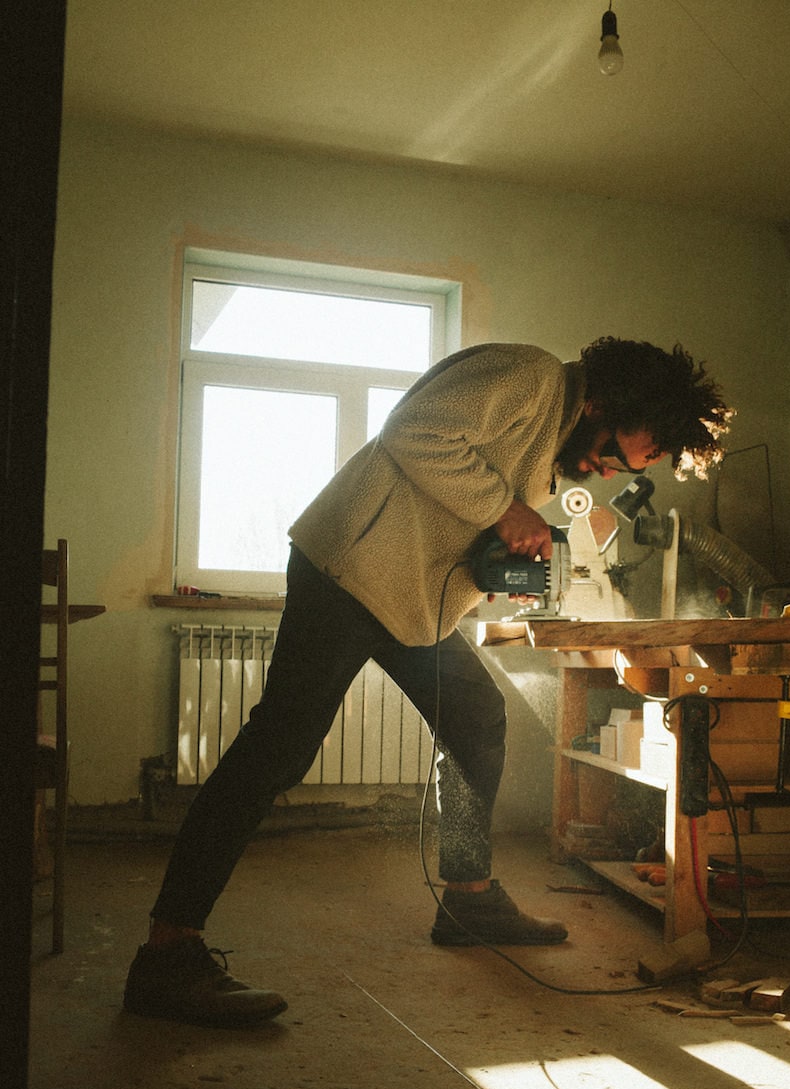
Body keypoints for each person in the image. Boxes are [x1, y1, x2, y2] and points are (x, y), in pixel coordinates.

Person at [124, 336, 733, 1027]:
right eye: (644, 448)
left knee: (476, 715)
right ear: (614, 404)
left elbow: (446, 508)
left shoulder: (548, 444)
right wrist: (506, 513)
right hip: (348, 576)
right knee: (279, 749)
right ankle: (167, 952)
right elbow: (414, 432)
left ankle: (468, 897)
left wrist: (490, 566)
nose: (629, 466)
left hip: (409, 601)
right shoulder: (531, 376)